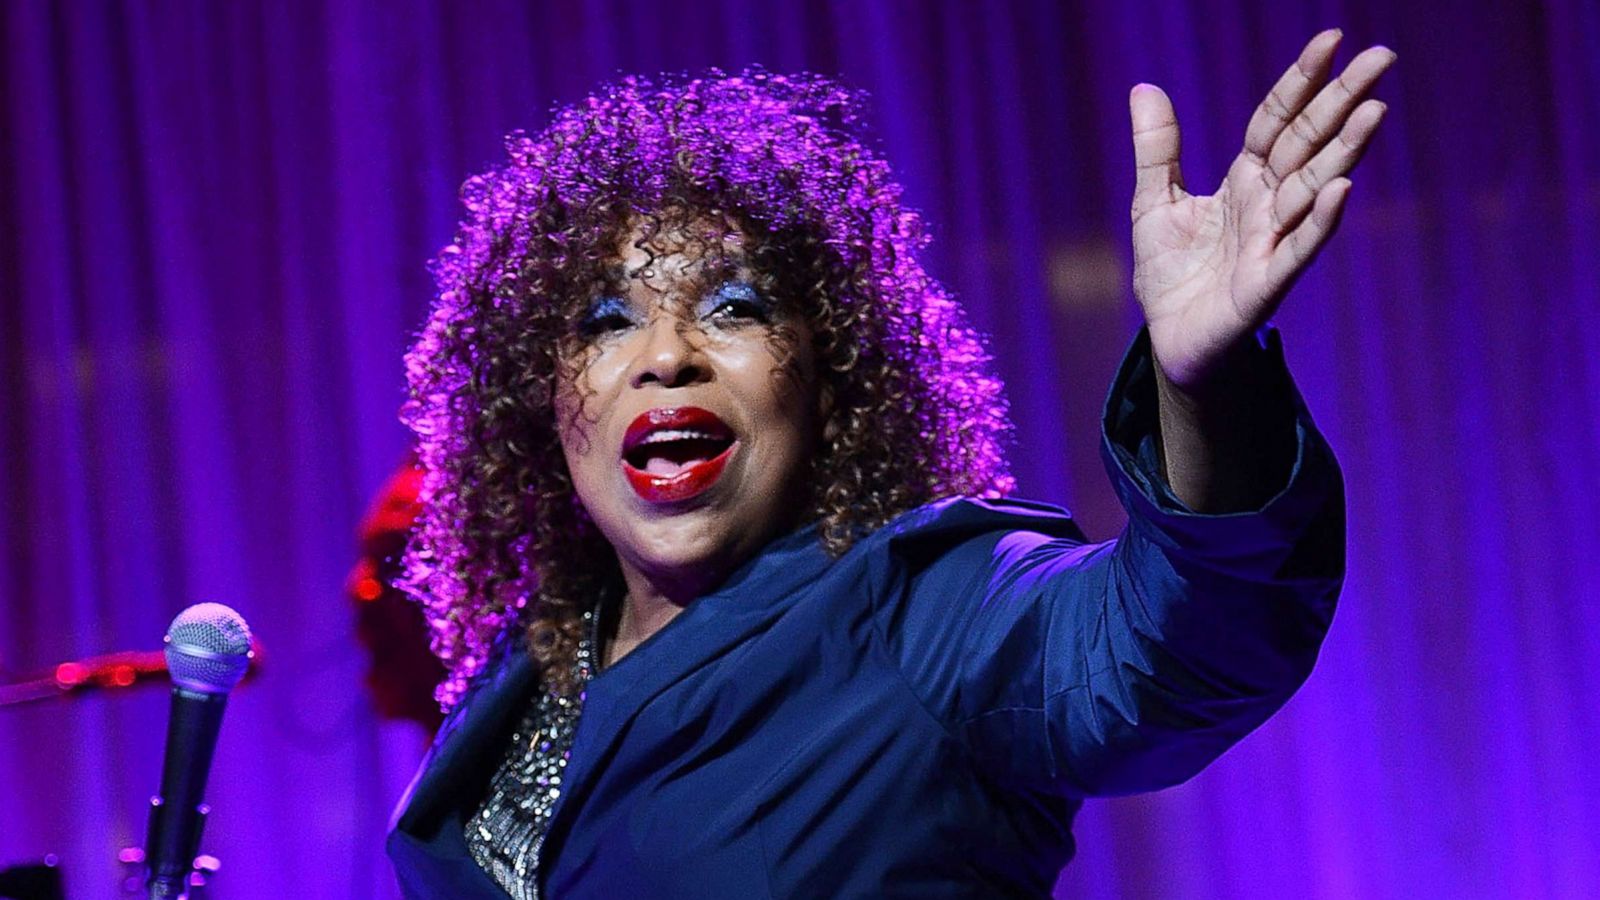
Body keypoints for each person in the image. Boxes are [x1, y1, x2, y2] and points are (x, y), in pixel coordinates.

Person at [387, 29, 1392, 899]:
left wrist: (1201, 386)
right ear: (542, 400)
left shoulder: (920, 609)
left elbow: (1168, 651)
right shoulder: (525, 679)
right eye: (607, 321)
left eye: (734, 307)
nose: (665, 355)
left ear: (830, 379)